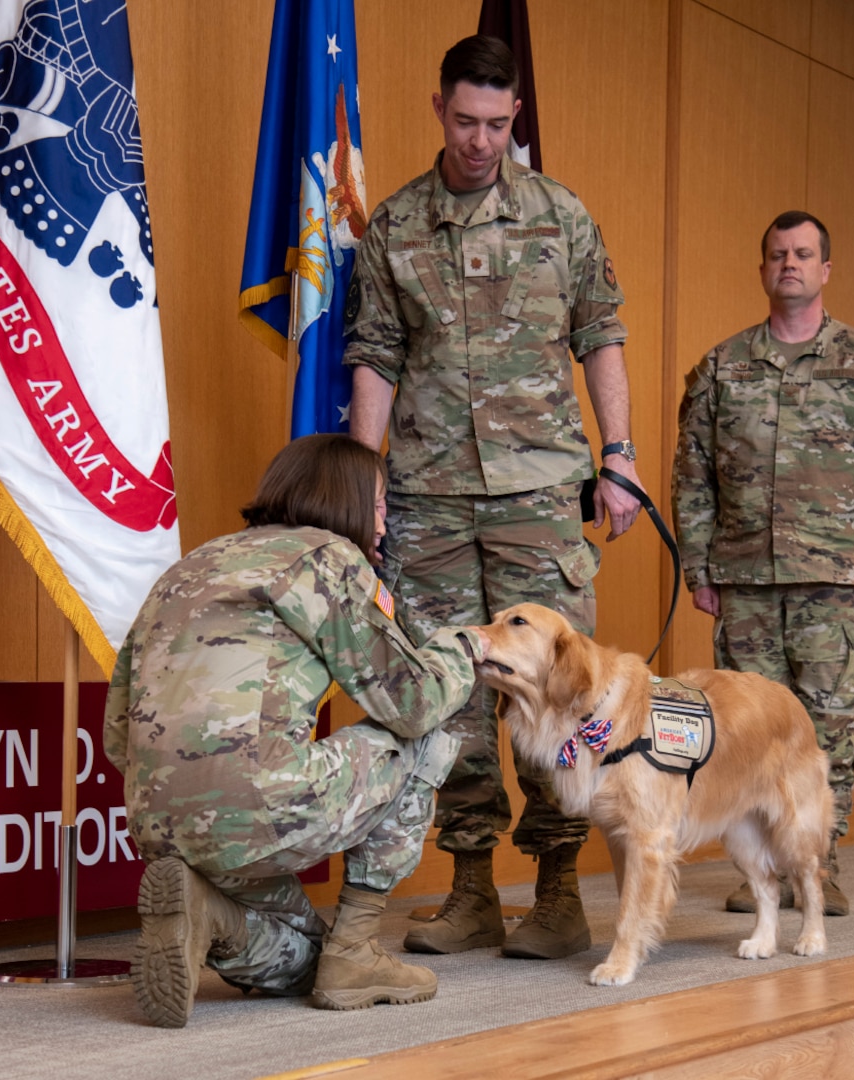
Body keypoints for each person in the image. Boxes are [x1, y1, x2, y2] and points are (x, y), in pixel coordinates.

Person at [344, 34, 645, 960]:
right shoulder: (394, 225)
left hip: (538, 489)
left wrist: (620, 453)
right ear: (439, 108)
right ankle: (470, 889)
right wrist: (364, 481)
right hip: (429, 493)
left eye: (499, 124)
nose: (482, 140)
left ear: (516, 115)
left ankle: (558, 894)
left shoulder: (560, 213)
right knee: (446, 693)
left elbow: (600, 330)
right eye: (467, 121)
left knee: (561, 690)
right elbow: (376, 358)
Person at [103, 434, 490, 1027]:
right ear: (350, 498)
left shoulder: (191, 566)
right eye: (381, 503)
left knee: (308, 958)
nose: (386, 522)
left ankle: (213, 915)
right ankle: (358, 946)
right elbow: (412, 703)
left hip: (156, 824)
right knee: (430, 731)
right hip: (253, 811)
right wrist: (465, 647)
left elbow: (114, 737)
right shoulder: (327, 559)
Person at [671, 210, 854, 916]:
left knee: (826, 729)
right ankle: (761, 873)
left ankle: (819, 866)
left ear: (825, 270)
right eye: (778, 254)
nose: (790, 264)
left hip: (834, 584)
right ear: (762, 270)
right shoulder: (722, 368)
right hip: (745, 584)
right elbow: (692, 478)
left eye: (804, 254)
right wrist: (699, 568)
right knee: (747, 734)